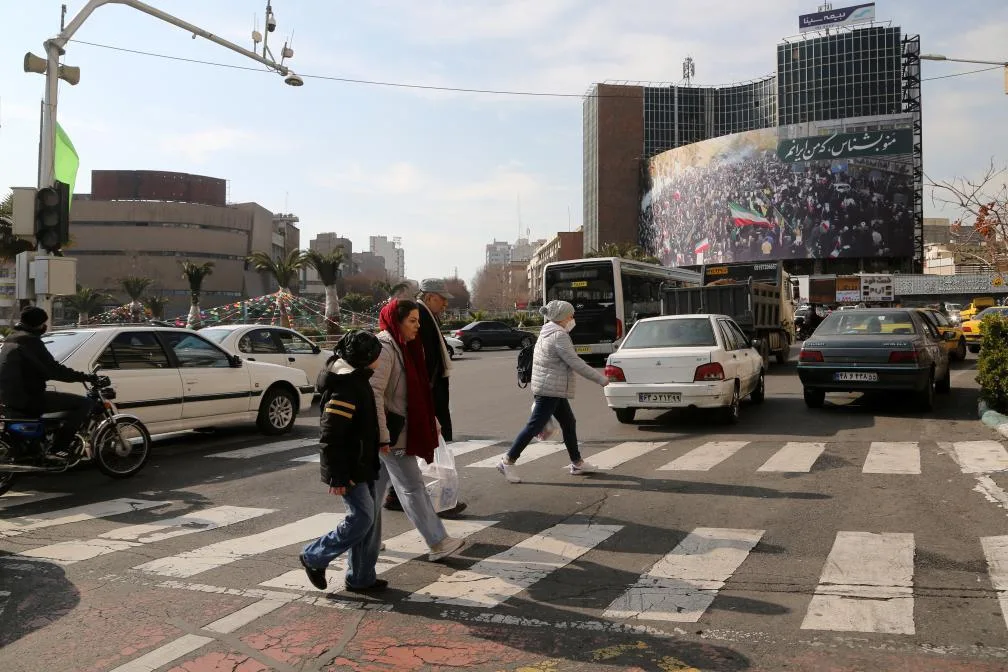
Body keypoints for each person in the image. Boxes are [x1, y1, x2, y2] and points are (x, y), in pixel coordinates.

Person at [371, 299, 466, 562]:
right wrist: (382, 436)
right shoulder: (385, 348)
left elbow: (415, 392)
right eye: (412, 321)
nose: (417, 326)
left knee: (374, 492)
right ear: (396, 322)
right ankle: (438, 542)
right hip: (391, 435)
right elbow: (374, 394)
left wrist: (430, 419)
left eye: (418, 321)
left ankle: (367, 542)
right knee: (412, 487)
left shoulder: (406, 347)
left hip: (393, 432)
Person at [299, 330, 387, 593]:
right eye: (377, 354)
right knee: (362, 518)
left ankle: (361, 577)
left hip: (363, 462)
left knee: (369, 521)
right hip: (349, 467)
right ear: (366, 357)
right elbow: (331, 434)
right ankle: (314, 556)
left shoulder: (357, 379)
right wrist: (337, 475)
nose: (380, 358)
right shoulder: (346, 386)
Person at [497, 300, 610, 484]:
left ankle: (577, 463)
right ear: (562, 317)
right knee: (534, 426)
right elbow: (575, 362)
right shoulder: (559, 335)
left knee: (568, 423)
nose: (573, 318)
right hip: (549, 389)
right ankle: (507, 461)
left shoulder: (546, 331)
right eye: (571, 315)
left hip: (551, 387)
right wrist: (601, 379)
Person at [383, 278, 468, 518]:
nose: (445, 304)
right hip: (425, 392)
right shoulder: (420, 314)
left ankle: (398, 495)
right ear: (429, 297)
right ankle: (439, 499)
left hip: (426, 391)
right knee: (421, 444)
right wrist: (424, 396)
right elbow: (423, 357)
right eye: (442, 299)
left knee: (411, 448)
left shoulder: (427, 316)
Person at [0, 306, 99, 459]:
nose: (44, 326)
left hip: (8, 397)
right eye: (43, 323)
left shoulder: (11, 338)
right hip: (28, 397)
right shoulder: (31, 341)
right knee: (84, 403)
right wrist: (85, 377)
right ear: (38, 324)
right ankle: (59, 448)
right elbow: (54, 370)